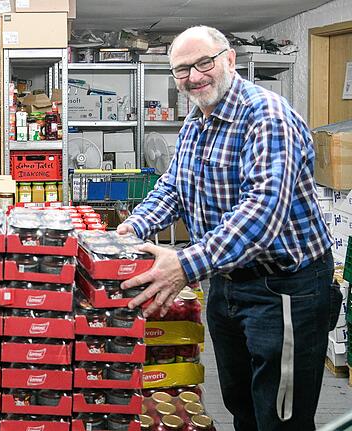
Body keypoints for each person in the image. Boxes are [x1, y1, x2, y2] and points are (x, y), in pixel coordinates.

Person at [117, 25, 341, 431]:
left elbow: (261, 214)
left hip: (284, 288)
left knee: (280, 413)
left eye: (204, 62)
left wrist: (185, 264)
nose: (194, 76)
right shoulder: (195, 123)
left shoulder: (267, 117)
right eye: (182, 70)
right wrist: (133, 228)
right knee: (240, 402)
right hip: (224, 281)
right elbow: (174, 187)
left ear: (230, 60)